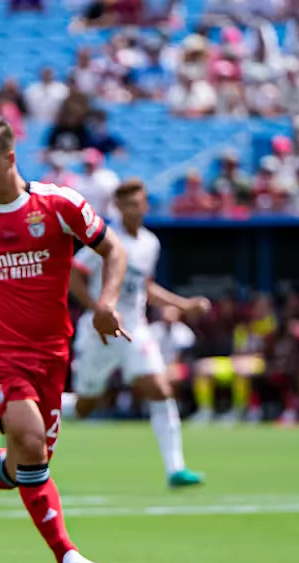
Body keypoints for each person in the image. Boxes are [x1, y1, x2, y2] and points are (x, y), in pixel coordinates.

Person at [0, 116, 127, 563]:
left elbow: (114, 250)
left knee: (27, 466)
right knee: (30, 441)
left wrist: (106, 303)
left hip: (53, 354)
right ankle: (68, 556)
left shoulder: (59, 205)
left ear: (10, 159)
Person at [67, 179, 208, 487]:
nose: (136, 208)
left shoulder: (150, 243)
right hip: (100, 332)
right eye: (128, 203)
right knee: (84, 406)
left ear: (146, 205)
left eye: (140, 202)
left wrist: (182, 304)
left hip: (135, 330)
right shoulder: (106, 239)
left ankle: (176, 469)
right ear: (117, 207)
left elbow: (145, 286)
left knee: (159, 388)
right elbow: (73, 275)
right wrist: (98, 309)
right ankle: (31, 412)